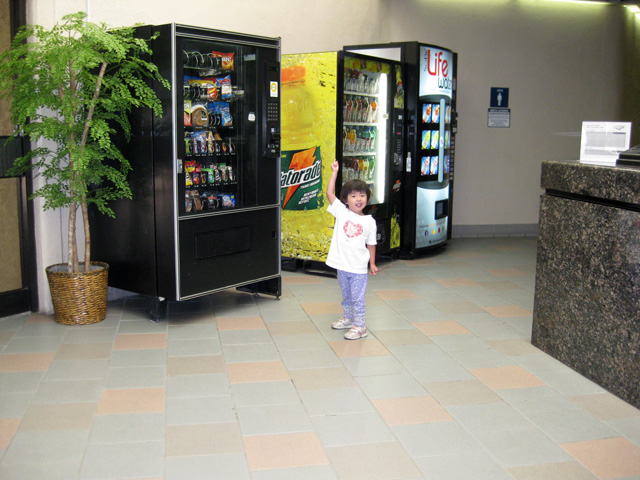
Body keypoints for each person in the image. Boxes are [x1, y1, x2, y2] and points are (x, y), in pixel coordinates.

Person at [325, 160, 378, 340]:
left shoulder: (369, 221)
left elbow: (371, 244)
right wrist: (334, 172)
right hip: (342, 265)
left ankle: (360, 326)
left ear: (367, 199)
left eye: (362, 195)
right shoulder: (341, 212)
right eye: (353, 196)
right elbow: (329, 193)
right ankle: (348, 318)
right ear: (346, 200)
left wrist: (372, 263)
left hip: (358, 268)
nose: (358, 199)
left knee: (358, 297)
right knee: (346, 294)